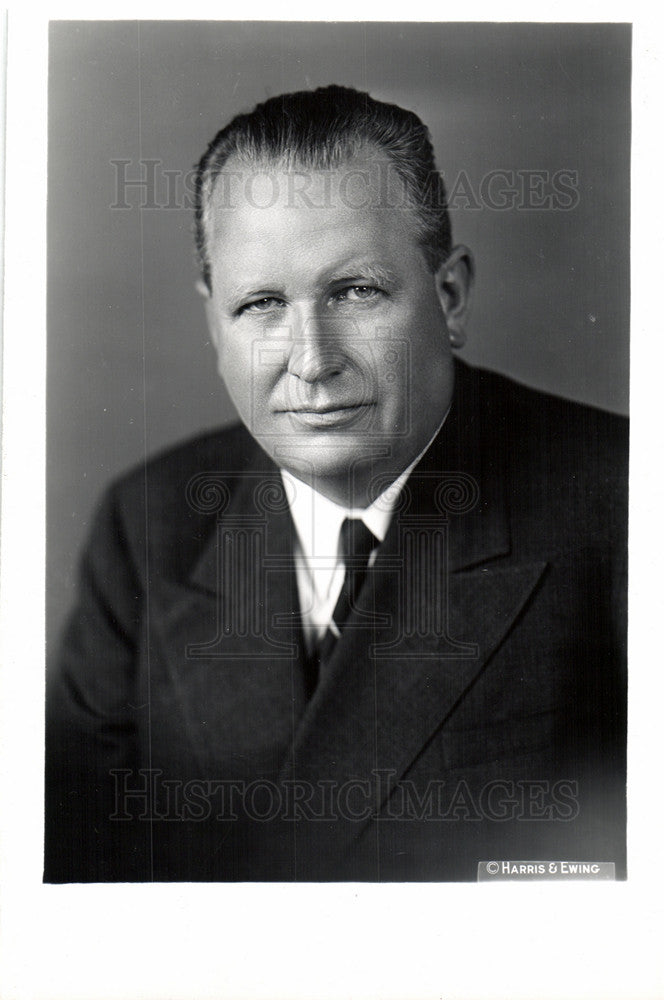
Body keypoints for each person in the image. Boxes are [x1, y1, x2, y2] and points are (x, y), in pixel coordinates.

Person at [45, 85, 627, 883]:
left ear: (449, 297)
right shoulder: (145, 526)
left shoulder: (626, 507)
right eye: (262, 305)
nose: (312, 360)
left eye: (355, 292)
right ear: (214, 322)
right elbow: (79, 889)